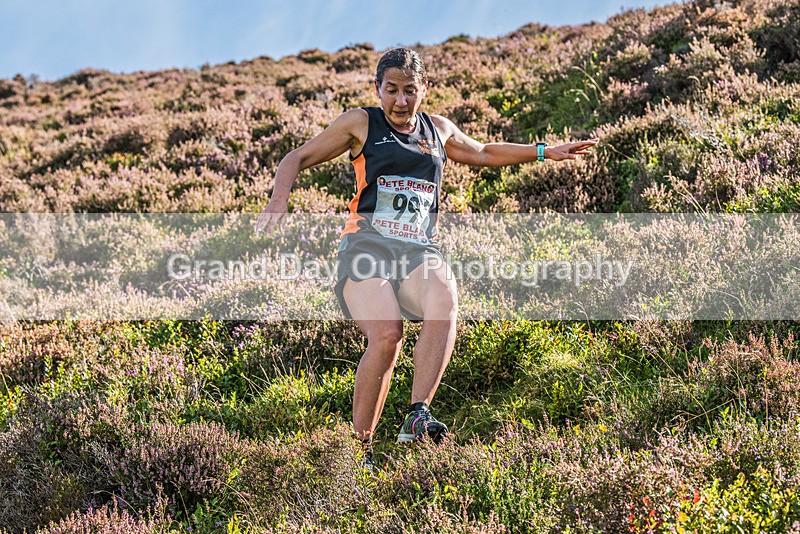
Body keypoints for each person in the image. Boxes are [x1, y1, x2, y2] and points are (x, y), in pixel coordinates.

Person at [255, 47, 598, 466]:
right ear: (378, 88)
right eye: (392, 90)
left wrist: (543, 151)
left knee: (445, 297)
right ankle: (358, 453)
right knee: (387, 336)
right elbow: (296, 157)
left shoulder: (438, 129)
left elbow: (484, 153)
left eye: (410, 91)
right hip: (366, 247)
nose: (401, 101)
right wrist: (280, 197)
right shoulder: (360, 123)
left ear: (425, 89)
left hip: (417, 249)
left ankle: (417, 415)